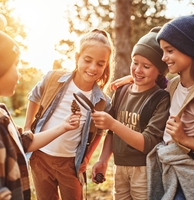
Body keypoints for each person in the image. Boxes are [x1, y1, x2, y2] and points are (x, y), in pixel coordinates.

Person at [109, 13, 194, 200]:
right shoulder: (174, 86)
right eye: (162, 51)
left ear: (189, 49)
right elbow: (157, 80)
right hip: (166, 165)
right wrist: (131, 78)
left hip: (188, 169)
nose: (164, 57)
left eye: (169, 50)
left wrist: (184, 138)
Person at [23, 29, 114, 200]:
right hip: (40, 157)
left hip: (70, 163)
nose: (93, 68)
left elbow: (100, 132)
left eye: (100, 64)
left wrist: (87, 157)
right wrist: (28, 128)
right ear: (77, 57)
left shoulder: (102, 101)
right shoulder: (53, 79)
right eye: (87, 60)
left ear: (106, 65)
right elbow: (34, 97)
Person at [91, 27, 170, 200]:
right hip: (119, 166)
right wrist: (103, 160)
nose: (138, 70)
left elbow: (148, 143)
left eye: (146, 66)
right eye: (135, 62)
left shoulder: (160, 99)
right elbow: (111, 133)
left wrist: (113, 123)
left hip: (144, 170)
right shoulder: (122, 91)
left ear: (159, 71)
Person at [0, 31, 81, 200]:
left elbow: (24, 145)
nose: (19, 73)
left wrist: (63, 127)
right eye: (15, 65)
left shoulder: (3, 113)